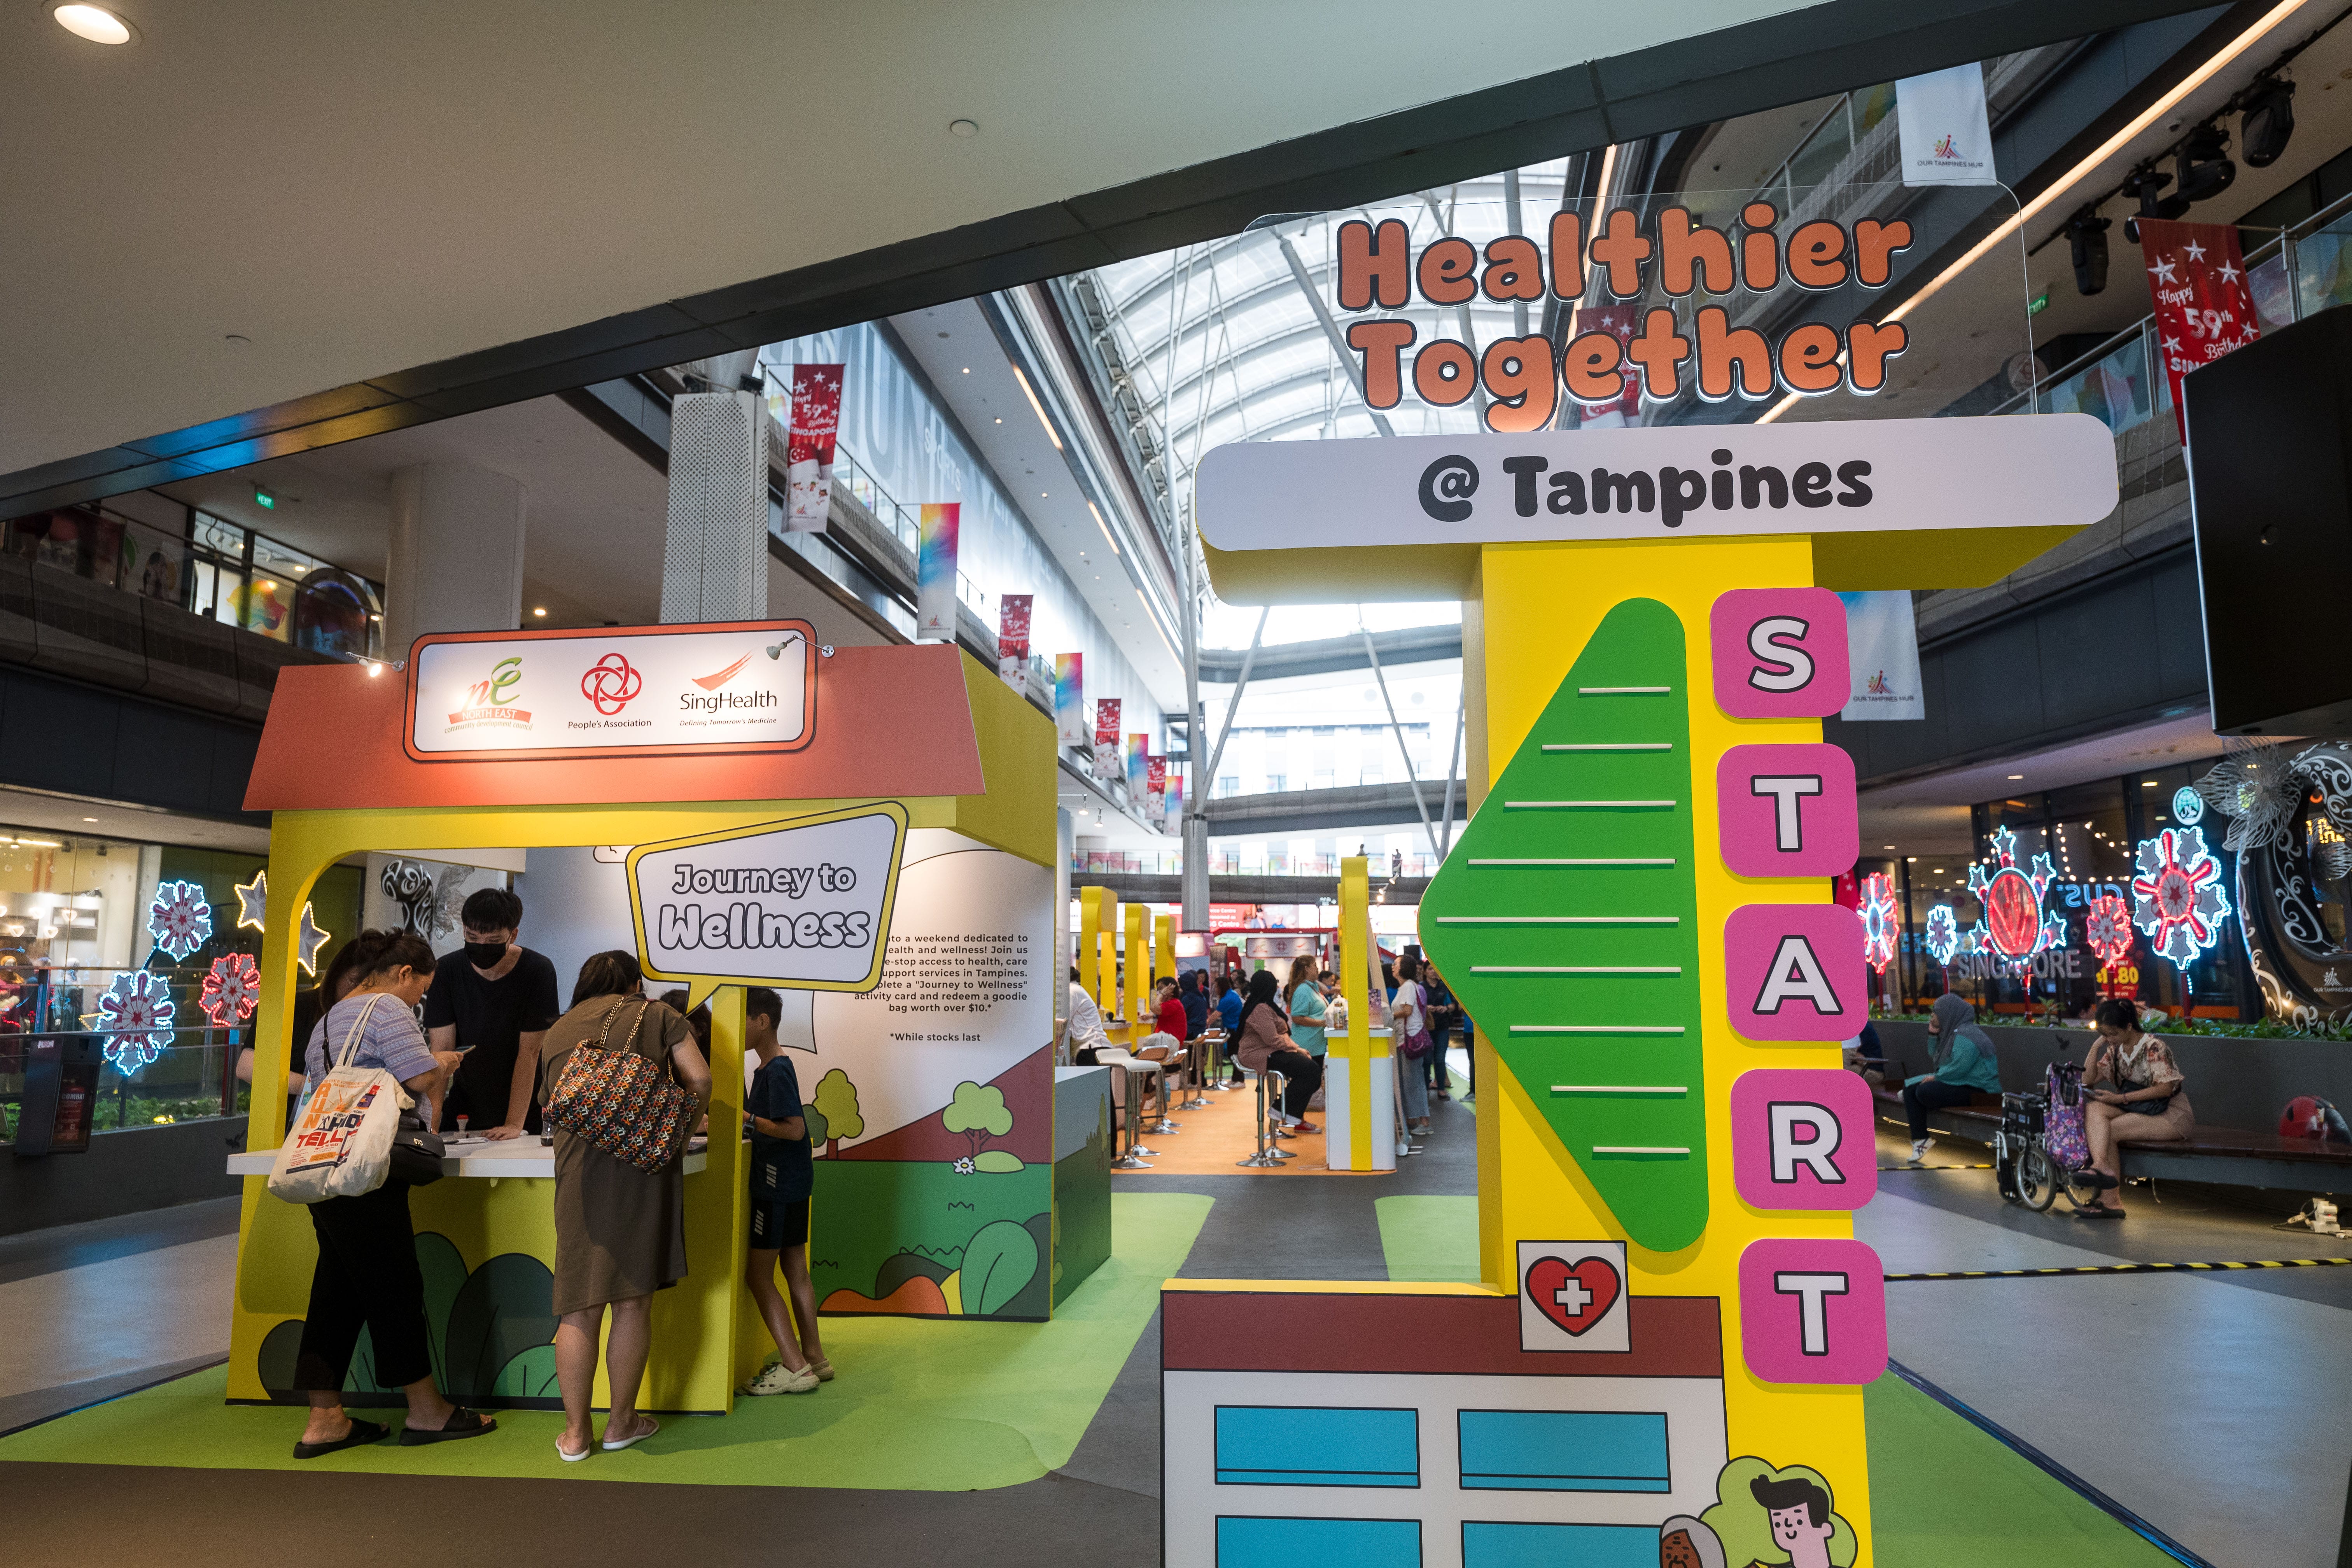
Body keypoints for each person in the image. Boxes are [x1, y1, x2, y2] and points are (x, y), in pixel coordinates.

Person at [289, 929, 495, 1458]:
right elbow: (419, 1077)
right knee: (394, 1286)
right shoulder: (386, 1009)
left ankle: (325, 1416)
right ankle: (427, 1411)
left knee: (337, 1290)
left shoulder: (329, 1018)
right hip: (367, 1169)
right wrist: (445, 1063)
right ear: (405, 975)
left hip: (323, 1166)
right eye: (419, 991)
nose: (417, 1001)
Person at [543, 950, 712, 1461]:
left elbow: (553, 1103)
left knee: (579, 1305)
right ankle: (621, 1423)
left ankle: (575, 1436)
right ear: (635, 981)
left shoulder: (557, 1029)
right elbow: (699, 1079)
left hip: (576, 1170)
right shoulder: (656, 1014)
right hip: (640, 1164)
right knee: (632, 1300)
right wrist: (679, 1133)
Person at [742, 986, 827, 1395]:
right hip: (792, 1182)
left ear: (762, 1022)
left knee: (758, 1276)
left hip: (776, 1184)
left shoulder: (775, 1070)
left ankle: (795, 1368)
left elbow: (794, 1129)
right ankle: (814, 1357)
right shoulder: (774, 1069)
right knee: (794, 1266)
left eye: (742, 1018)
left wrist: (745, 1120)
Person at [424, 887, 560, 1139]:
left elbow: (529, 1053)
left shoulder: (538, 971)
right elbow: (442, 1051)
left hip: (525, 1105)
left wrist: (514, 1124)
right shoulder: (447, 971)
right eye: (472, 938)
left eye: (493, 941)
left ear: (513, 935)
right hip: (466, 1102)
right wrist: (432, 1124)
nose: (481, 947)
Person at [2076, 996, 2193, 1219]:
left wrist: (2120, 1099)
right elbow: (2087, 1080)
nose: (2110, 1040)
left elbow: (2165, 1090)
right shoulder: (2116, 1050)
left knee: (2110, 1129)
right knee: (2094, 1109)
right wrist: (2095, 1046)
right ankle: (2101, 1165)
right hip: (2141, 1107)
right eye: (2105, 1035)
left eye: (2113, 1034)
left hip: (2171, 1114)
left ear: (2129, 1026)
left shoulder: (2154, 1047)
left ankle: (2110, 1201)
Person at [1904, 993, 2002, 1163]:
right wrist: (1933, 1035)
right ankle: (1920, 1140)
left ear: (1948, 1015)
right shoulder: (1954, 1033)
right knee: (1911, 1091)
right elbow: (1936, 1059)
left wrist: (1936, 1078)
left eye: (1936, 1013)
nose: (1933, 1017)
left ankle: (1920, 1136)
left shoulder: (1967, 1036)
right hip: (1962, 1084)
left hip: (1980, 1091)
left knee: (1923, 1091)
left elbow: (1958, 1069)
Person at [1232, 969, 1320, 1133]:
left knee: (1312, 1070)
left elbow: (1279, 1037)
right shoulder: (1260, 1008)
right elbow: (1272, 1039)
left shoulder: (1265, 1006)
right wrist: (1297, 1049)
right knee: (1310, 1070)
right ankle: (1281, 1109)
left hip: (1271, 1050)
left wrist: (1297, 1049)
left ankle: (1291, 1113)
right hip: (1259, 1053)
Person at [1391, 955, 1433, 1137]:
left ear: (1404, 968)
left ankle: (1424, 1122)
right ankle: (1415, 1120)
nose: (1392, 967)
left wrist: (1388, 1017)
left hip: (1411, 1039)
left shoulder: (1408, 986)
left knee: (1413, 1082)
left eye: (1396, 964)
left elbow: (1407, 1011)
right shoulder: (1408, 987)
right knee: (1412, 1081)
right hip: (1409, 1039)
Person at [1423, 963, 1458, 1099]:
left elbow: (1452, 1005)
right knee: (1426, 1060)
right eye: (1430, 969)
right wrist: (1426, 1008)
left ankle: (1442, 1089)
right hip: (1426, 1029)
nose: (1434, 972)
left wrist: (1446, 1008)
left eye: (1435, 969)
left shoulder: (1444, 986)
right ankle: (1425, 1088)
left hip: (1443, 1027)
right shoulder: (1421, 987)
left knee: (1440, 1059)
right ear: (1425, 972)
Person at [1285, 955, 1328, 1059]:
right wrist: (1322, 1023)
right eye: (1315, 966)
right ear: (1307, 969)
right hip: (1308, 1046)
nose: (1318, 969)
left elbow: (1326, 990)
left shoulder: (1312, 987)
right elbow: (1297, 1018)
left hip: (1316, 1045)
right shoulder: (1303, 990)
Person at [1065, 965, 1110, 1064]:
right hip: (1096, 1047)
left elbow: (1065, 1019)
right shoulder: (1076, 989)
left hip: (1091, 1048)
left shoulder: (1071, 991)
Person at [1215, 975, 1245, 1085]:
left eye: (1217, 986)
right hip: (1234, 1029)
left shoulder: (1228, 998)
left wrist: (1206, 1023)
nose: (1215, 989)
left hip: (1235, 1030)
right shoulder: (1231, 995)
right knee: (1233, 1054)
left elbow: (1216, 1015)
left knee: (1235, 1054)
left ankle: (1240, 1080)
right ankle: (1235, 1079)